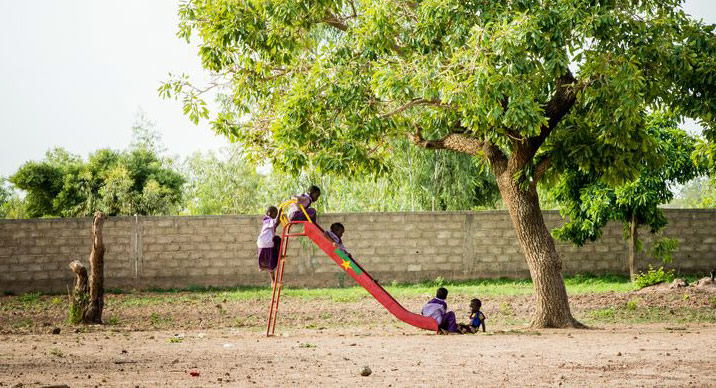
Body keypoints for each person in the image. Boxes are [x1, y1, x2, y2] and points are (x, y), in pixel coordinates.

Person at [257, 206, 281, 283]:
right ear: (269, 213)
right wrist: (280, 211)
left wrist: (279, 219)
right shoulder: (268, 220)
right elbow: (276, 222)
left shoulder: (268, 222)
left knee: (271, 264)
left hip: (264, 243)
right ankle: (280, 255)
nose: (276, 215)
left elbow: (275, 224)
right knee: (278, 239)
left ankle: (273, 281)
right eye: (275, 213)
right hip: (266, 243)